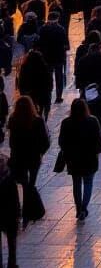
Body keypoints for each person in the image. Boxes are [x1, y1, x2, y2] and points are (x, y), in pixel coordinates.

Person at [57, 96, 101, 220]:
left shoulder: (66, 123)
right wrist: (97, 151)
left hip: (73, 160)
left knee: (76, 183)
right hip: (90, 159)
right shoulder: (93, 121)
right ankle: (84, 207)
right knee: (88, 183)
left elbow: (61, 142)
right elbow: (99, 142)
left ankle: (78, 208)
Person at [6, 95, 48, 228]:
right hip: (34, 158)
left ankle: (24, 214)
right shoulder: (37, 121)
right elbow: (45, 141)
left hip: (19, 158)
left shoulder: (13, 120)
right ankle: (28, 214)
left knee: (24, 185)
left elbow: (12, 142)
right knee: (30, 185)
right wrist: (40, 152)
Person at [0, 155, 18, 268]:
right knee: (12, 243)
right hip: (9, 216)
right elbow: (15, 200)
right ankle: (11, 267)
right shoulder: (9, 179)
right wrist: (18, 215)